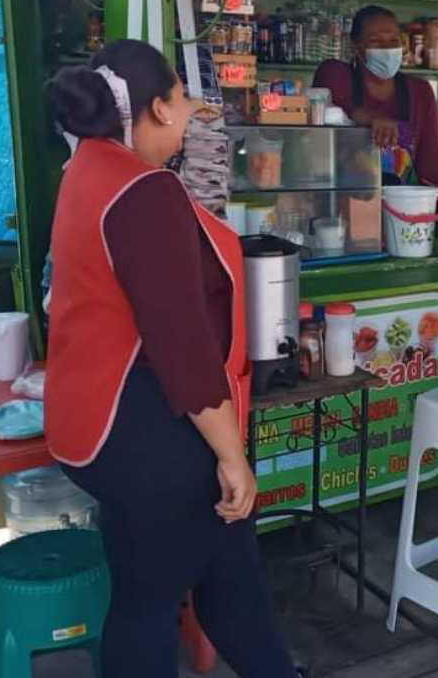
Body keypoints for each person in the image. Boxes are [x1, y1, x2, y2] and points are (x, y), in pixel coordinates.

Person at [44, 40, 301, 678]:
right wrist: (232, 453)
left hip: (94, 423)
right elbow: (180, 346)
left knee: (228, 571)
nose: (189, 113)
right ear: (159, 109)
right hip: (142, 429)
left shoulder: (86, 168)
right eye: (183, 98)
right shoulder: (142, 190)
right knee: (148, 605)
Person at [313, 5, 438, 187]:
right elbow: (336, 102)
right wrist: (372, 119)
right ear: (356, 47)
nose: (387, 48)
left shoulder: (420, 92)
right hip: (341, 204)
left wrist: (434, 208)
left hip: (400, 206)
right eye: (376, 41)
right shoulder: (336, 74)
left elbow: (432, 168)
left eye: (394, 40)